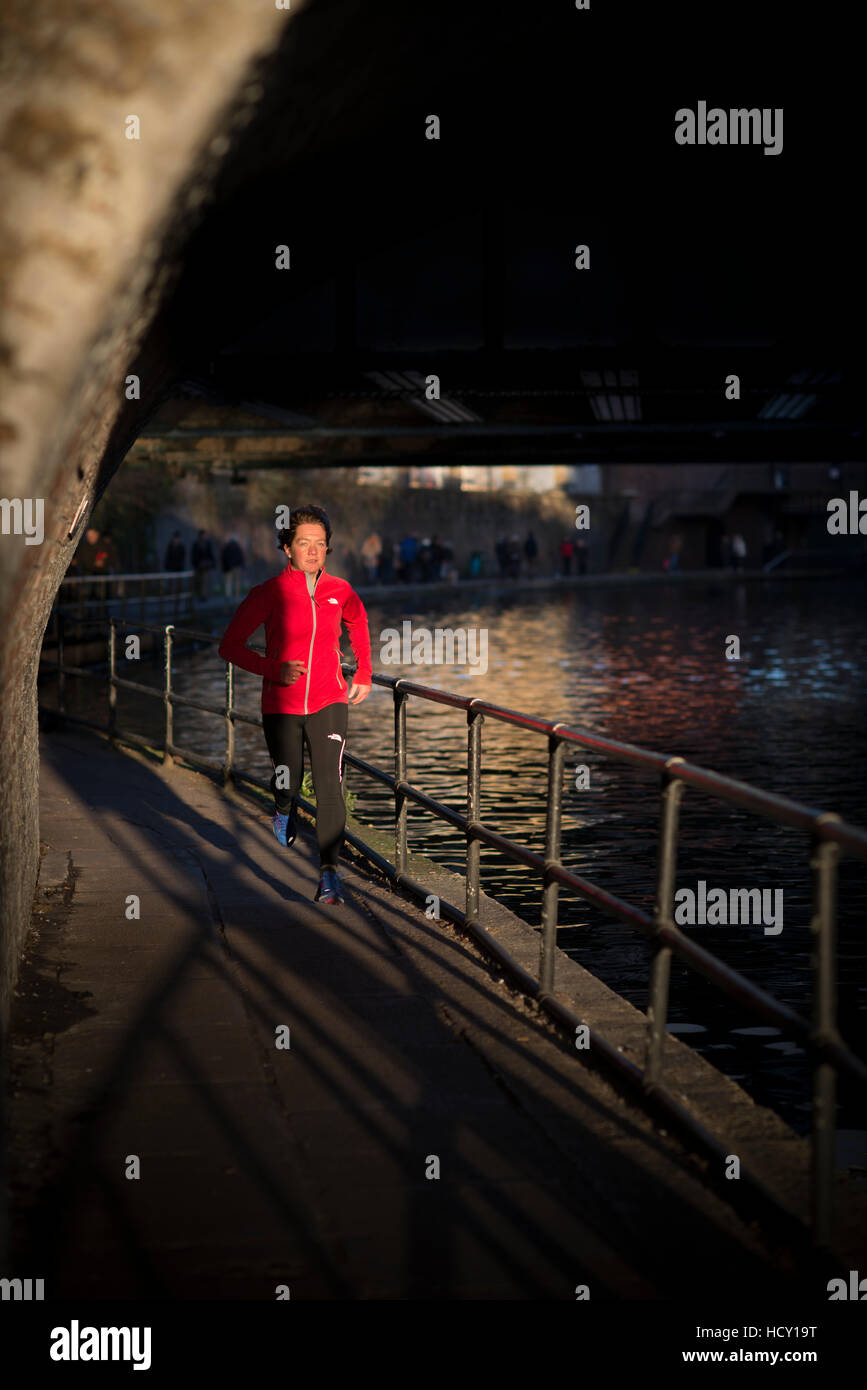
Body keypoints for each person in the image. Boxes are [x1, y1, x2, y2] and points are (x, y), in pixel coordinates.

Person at [218, 504, 372, 905]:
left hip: (329, 699)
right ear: (286, 547)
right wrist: (273, 669)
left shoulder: (340, 591)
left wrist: (365, 672)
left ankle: (329, 874)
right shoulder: (268, 593)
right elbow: (229, 646)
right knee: (288, 776)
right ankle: (283, 807)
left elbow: (358, 621)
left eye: (320, 544)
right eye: (303, 543)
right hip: (281, 704)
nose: (313, 551)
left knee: (330, 786)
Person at [191, 529, 215, 600]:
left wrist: (211, 563)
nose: (204, 536)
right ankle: (200, 594)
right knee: (199, 581)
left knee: (205, 581)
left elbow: (210, 554)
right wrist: (195, 563)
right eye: (203, 535)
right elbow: (194, 555)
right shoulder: (196, 544)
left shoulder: (208, 543)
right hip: (198, 565)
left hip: (206, 565)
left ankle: (204, 595)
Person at [221, 534, 245, 599]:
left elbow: (224, 557)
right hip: (236, 566)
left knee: (228, 581)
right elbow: (241, 557)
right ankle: (236, 595)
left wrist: (225, 566)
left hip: (229, 567)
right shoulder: (238, 547)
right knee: (236, 581)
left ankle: (228, 595)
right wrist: (242, 565)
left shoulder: (227, 547)